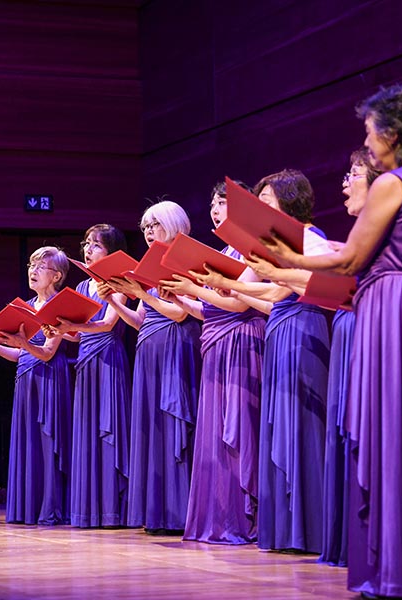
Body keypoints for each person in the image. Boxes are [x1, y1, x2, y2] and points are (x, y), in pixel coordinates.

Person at [262, 83, 402, 597]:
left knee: (390, 431)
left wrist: (285, 260)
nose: (366, 139)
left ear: (392, 132)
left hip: (392, 307)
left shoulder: (394, 182)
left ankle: (399, 566)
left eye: (369, 129)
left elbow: (351, 259)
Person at [192, 169, 331, 554]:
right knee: (281, 426)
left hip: (303, 328)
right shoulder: (277, 243)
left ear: (289, 201)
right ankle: (287, 529)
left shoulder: (309, 239)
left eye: (266, 202)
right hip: (279, 331)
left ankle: (311, 529)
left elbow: (276, 289)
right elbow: (266, 296)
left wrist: (230, 284)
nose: (259, 210)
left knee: (301, 426)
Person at [159, 181, 266, 545]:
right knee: (217, 433)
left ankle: (245, 514)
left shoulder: (253, 249)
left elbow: (238, 304)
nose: (216, 209)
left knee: (239, 429)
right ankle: (219, 514)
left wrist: (191, 288)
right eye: (213, 203)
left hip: (241, 342)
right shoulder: (222, 252)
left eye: (223, 202)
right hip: (217, 345)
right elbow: (209, 311)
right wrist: (184, 297)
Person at [106, 199, 201, 534]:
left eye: (154, 224)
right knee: (152, 428)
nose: (148, 232)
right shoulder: (150, 264)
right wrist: (117, 298)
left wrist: (139, 293)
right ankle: (157, 513)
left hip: (176, 346)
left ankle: (177, 513)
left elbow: (180, 313)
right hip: (148, 351)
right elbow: (140, 320)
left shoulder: (184, 260)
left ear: (173, 223)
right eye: (145, 227)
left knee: (174, 424)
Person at [319, 147, 379, 568]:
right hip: (345, 325)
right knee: (344, 427)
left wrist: (286, 263)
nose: (344, 182)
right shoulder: (360, 235)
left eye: (353, 173)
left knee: (362, 431)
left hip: (364, 328)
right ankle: (347, 540)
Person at [0, 247, 73, 525]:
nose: (32, 271)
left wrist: (21, 343)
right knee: (28, 440)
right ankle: (28, 507)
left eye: (40, 266)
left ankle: (51, 507)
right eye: (31, 265)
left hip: (49, 378)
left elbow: (46, 353)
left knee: (47, 441)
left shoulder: (60, 306)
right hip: (25, 378)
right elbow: (21, 355)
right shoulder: (27, 306)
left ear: (56, 275)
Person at [52, 224, 132, 528]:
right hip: (86, 361)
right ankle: (88, 510)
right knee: (87, 431)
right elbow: (77, 335)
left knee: (107, 428)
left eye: (95, 245)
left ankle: (113, 509)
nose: (87, 249)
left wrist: (76, 329)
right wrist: (60, 330)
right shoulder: (83, 287)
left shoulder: (118, 282)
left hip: (109, 359)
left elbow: (109, 324)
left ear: (111, 251)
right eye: (86, 243)